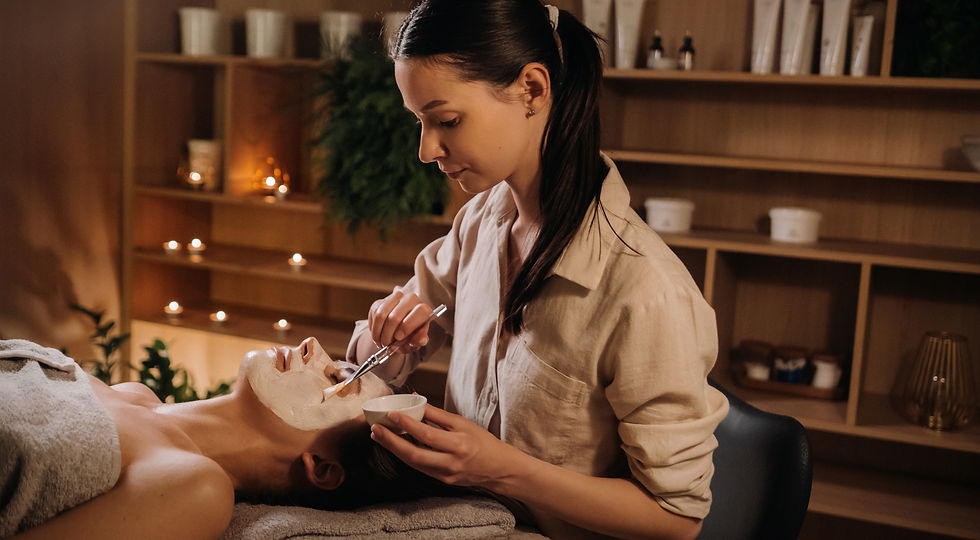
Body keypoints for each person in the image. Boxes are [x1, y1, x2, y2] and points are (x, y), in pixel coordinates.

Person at [346, 1, 730, 538]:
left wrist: (502, 470)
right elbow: (381, 355)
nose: (426, 149)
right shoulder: (481, 222)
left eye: (447, 120)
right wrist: (385, 340)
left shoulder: (647, 292)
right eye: (420, 122)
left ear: (532, 89)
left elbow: (677, 520)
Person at [1, 337, 444, 540]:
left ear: (323, 467)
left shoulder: (196, 489)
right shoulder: (134, 394)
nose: (311, 346)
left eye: (336, 381)